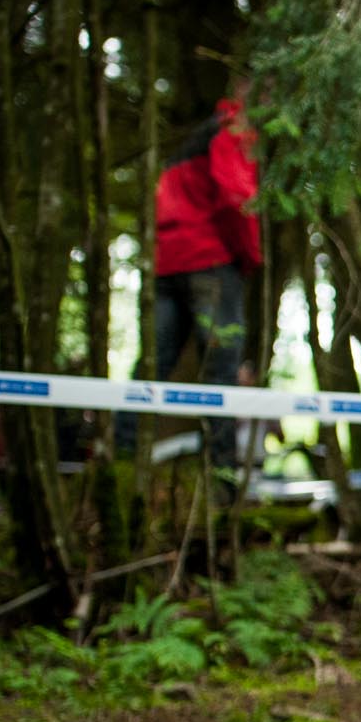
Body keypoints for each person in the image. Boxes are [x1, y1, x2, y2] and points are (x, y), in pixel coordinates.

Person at [117, 84, 261, 464]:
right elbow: (237, 197)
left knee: (153, 364)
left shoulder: (198, 137)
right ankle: (222, 474)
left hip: (167, 261)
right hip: (209, 261)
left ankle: (122, 459)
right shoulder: (231, 132)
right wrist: (249, 255)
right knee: (221, 370)